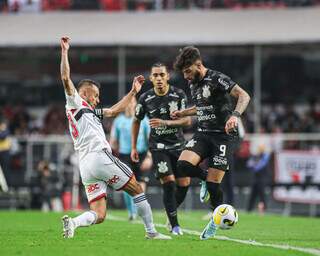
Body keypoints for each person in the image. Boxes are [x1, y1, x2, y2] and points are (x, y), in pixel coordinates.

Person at [59, 36, 170, 240]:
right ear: (83, 93)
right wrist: (65, 52)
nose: (98, 99)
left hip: (86, 165)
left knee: (100, 214)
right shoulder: (75, 102)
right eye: (96, 95)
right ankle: (151, 232)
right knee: (136, 188)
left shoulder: (88, 111)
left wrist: (132, 92)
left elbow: (112, 111)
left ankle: (73, 223)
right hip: (99, 156)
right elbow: (66, 79)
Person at [172, 46, 250, 240]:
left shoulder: (217, 78)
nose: (186, 77)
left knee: (214, 186)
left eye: (188, 71)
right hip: (203, 134)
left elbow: (244, 95)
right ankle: (205, 177)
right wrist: (184, 113)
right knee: (182, 165)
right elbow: (201, 107)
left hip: (223, 136)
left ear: (198, 64)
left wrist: (235, 115)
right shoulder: (193, 84)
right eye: (184, 73)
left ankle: (214, 223)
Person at [132, 63, 207, 235]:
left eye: (161, 75)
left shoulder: (178, 94)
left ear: (167, 76)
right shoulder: (145, 98)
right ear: (151, 78)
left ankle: (170, 213)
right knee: (169, 183)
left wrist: (165, 122)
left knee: (184, 184)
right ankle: (175, 226)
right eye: (155, 75)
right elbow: (136, 121)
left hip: (178, 146)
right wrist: (135, 147)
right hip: (158, 147)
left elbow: (187, 121)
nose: (158, 78)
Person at [110, 97, 150, 221]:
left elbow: (149, 138)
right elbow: (113, 140)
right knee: (127, 183)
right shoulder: (118, 121)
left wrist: (149, 156)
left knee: (141, 183)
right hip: (124, 155)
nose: (129, 104)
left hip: (141, 154)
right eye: (127, 102)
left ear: (135, 104)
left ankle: (139, 208)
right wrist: (112, 150)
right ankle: (132, 211)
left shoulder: (143, 119)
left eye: (132, 102)